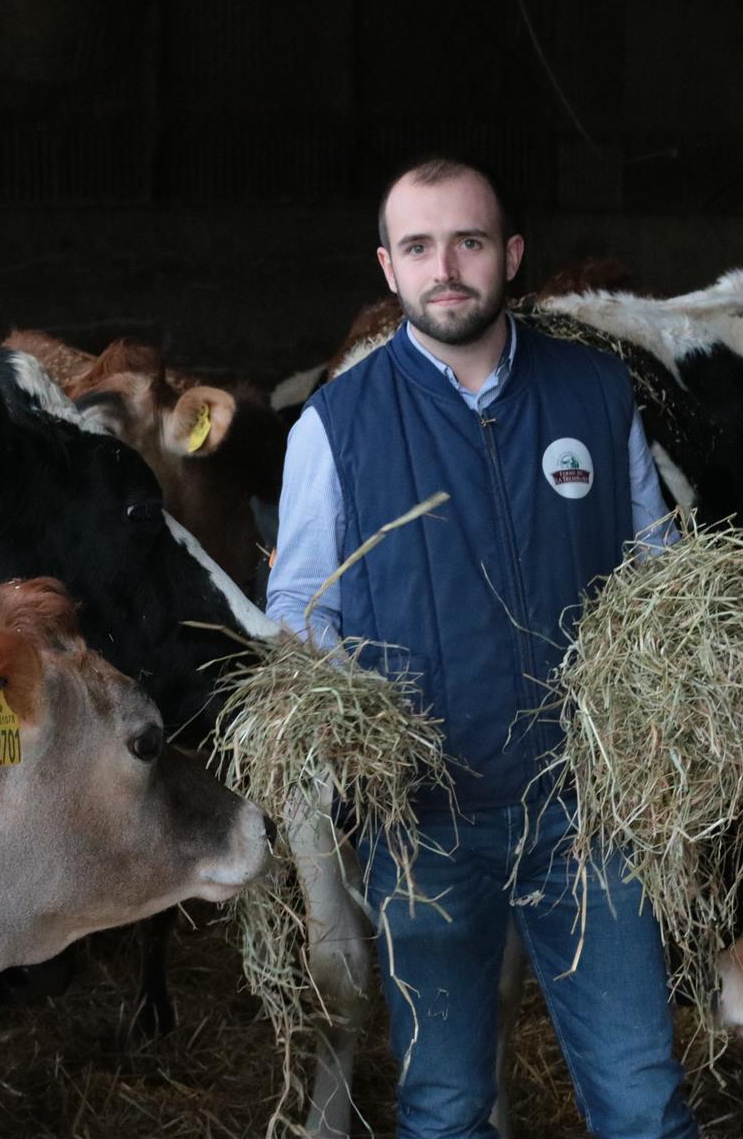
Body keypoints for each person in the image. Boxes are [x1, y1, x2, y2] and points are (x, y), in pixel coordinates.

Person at [266, 157, 696, 1138]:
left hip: (585, 810)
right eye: (419, 246)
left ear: (510, 255)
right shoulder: (336, 424)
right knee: (446, 1103)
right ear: (388, 267)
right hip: (427, 819)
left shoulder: (594, 393)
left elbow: (659, 575)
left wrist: (655, 735)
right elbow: (299, 603)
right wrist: (355, 731)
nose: (445, 267)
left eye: (467, 242)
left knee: (642, 1093)